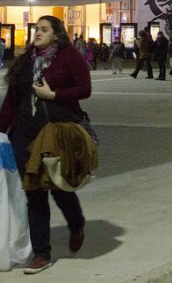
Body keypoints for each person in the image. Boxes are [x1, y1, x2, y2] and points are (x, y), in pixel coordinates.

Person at [0, 16, 91, 274]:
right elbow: (13, 99)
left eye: (44, 29)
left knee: (59, 187)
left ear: (56, 34)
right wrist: (1, 130)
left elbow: (85, 89)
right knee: (34, 190)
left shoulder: (69, 56)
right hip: (23, 133)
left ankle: (76, 222)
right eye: (36, 29)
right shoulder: (26, 61)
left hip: (54, 132)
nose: (37, 33)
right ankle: (42, 253)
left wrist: (53, 95)